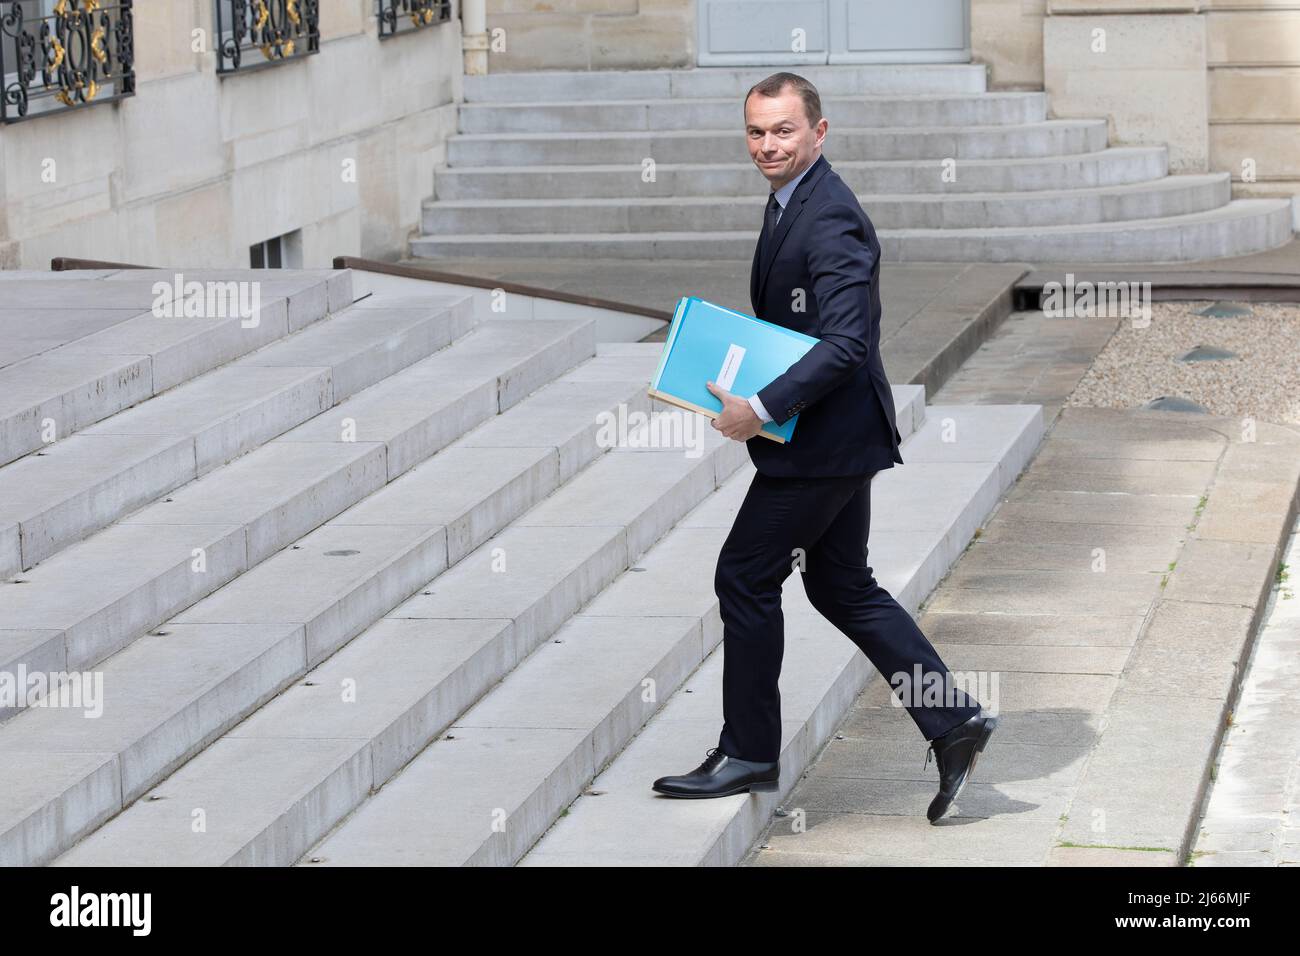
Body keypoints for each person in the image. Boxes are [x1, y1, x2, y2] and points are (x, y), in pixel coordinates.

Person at [650, 72, 997, 823]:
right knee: (840, 585)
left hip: (824, 443)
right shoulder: (790, 204)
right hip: (835, 437)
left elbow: (846, 341)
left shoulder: (830, 216)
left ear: (819, 132)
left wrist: (762, 408)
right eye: (756, 132)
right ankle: (953, 719)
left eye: (783, 131)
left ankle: (748, 752)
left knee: (744, 576)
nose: (768, 145)